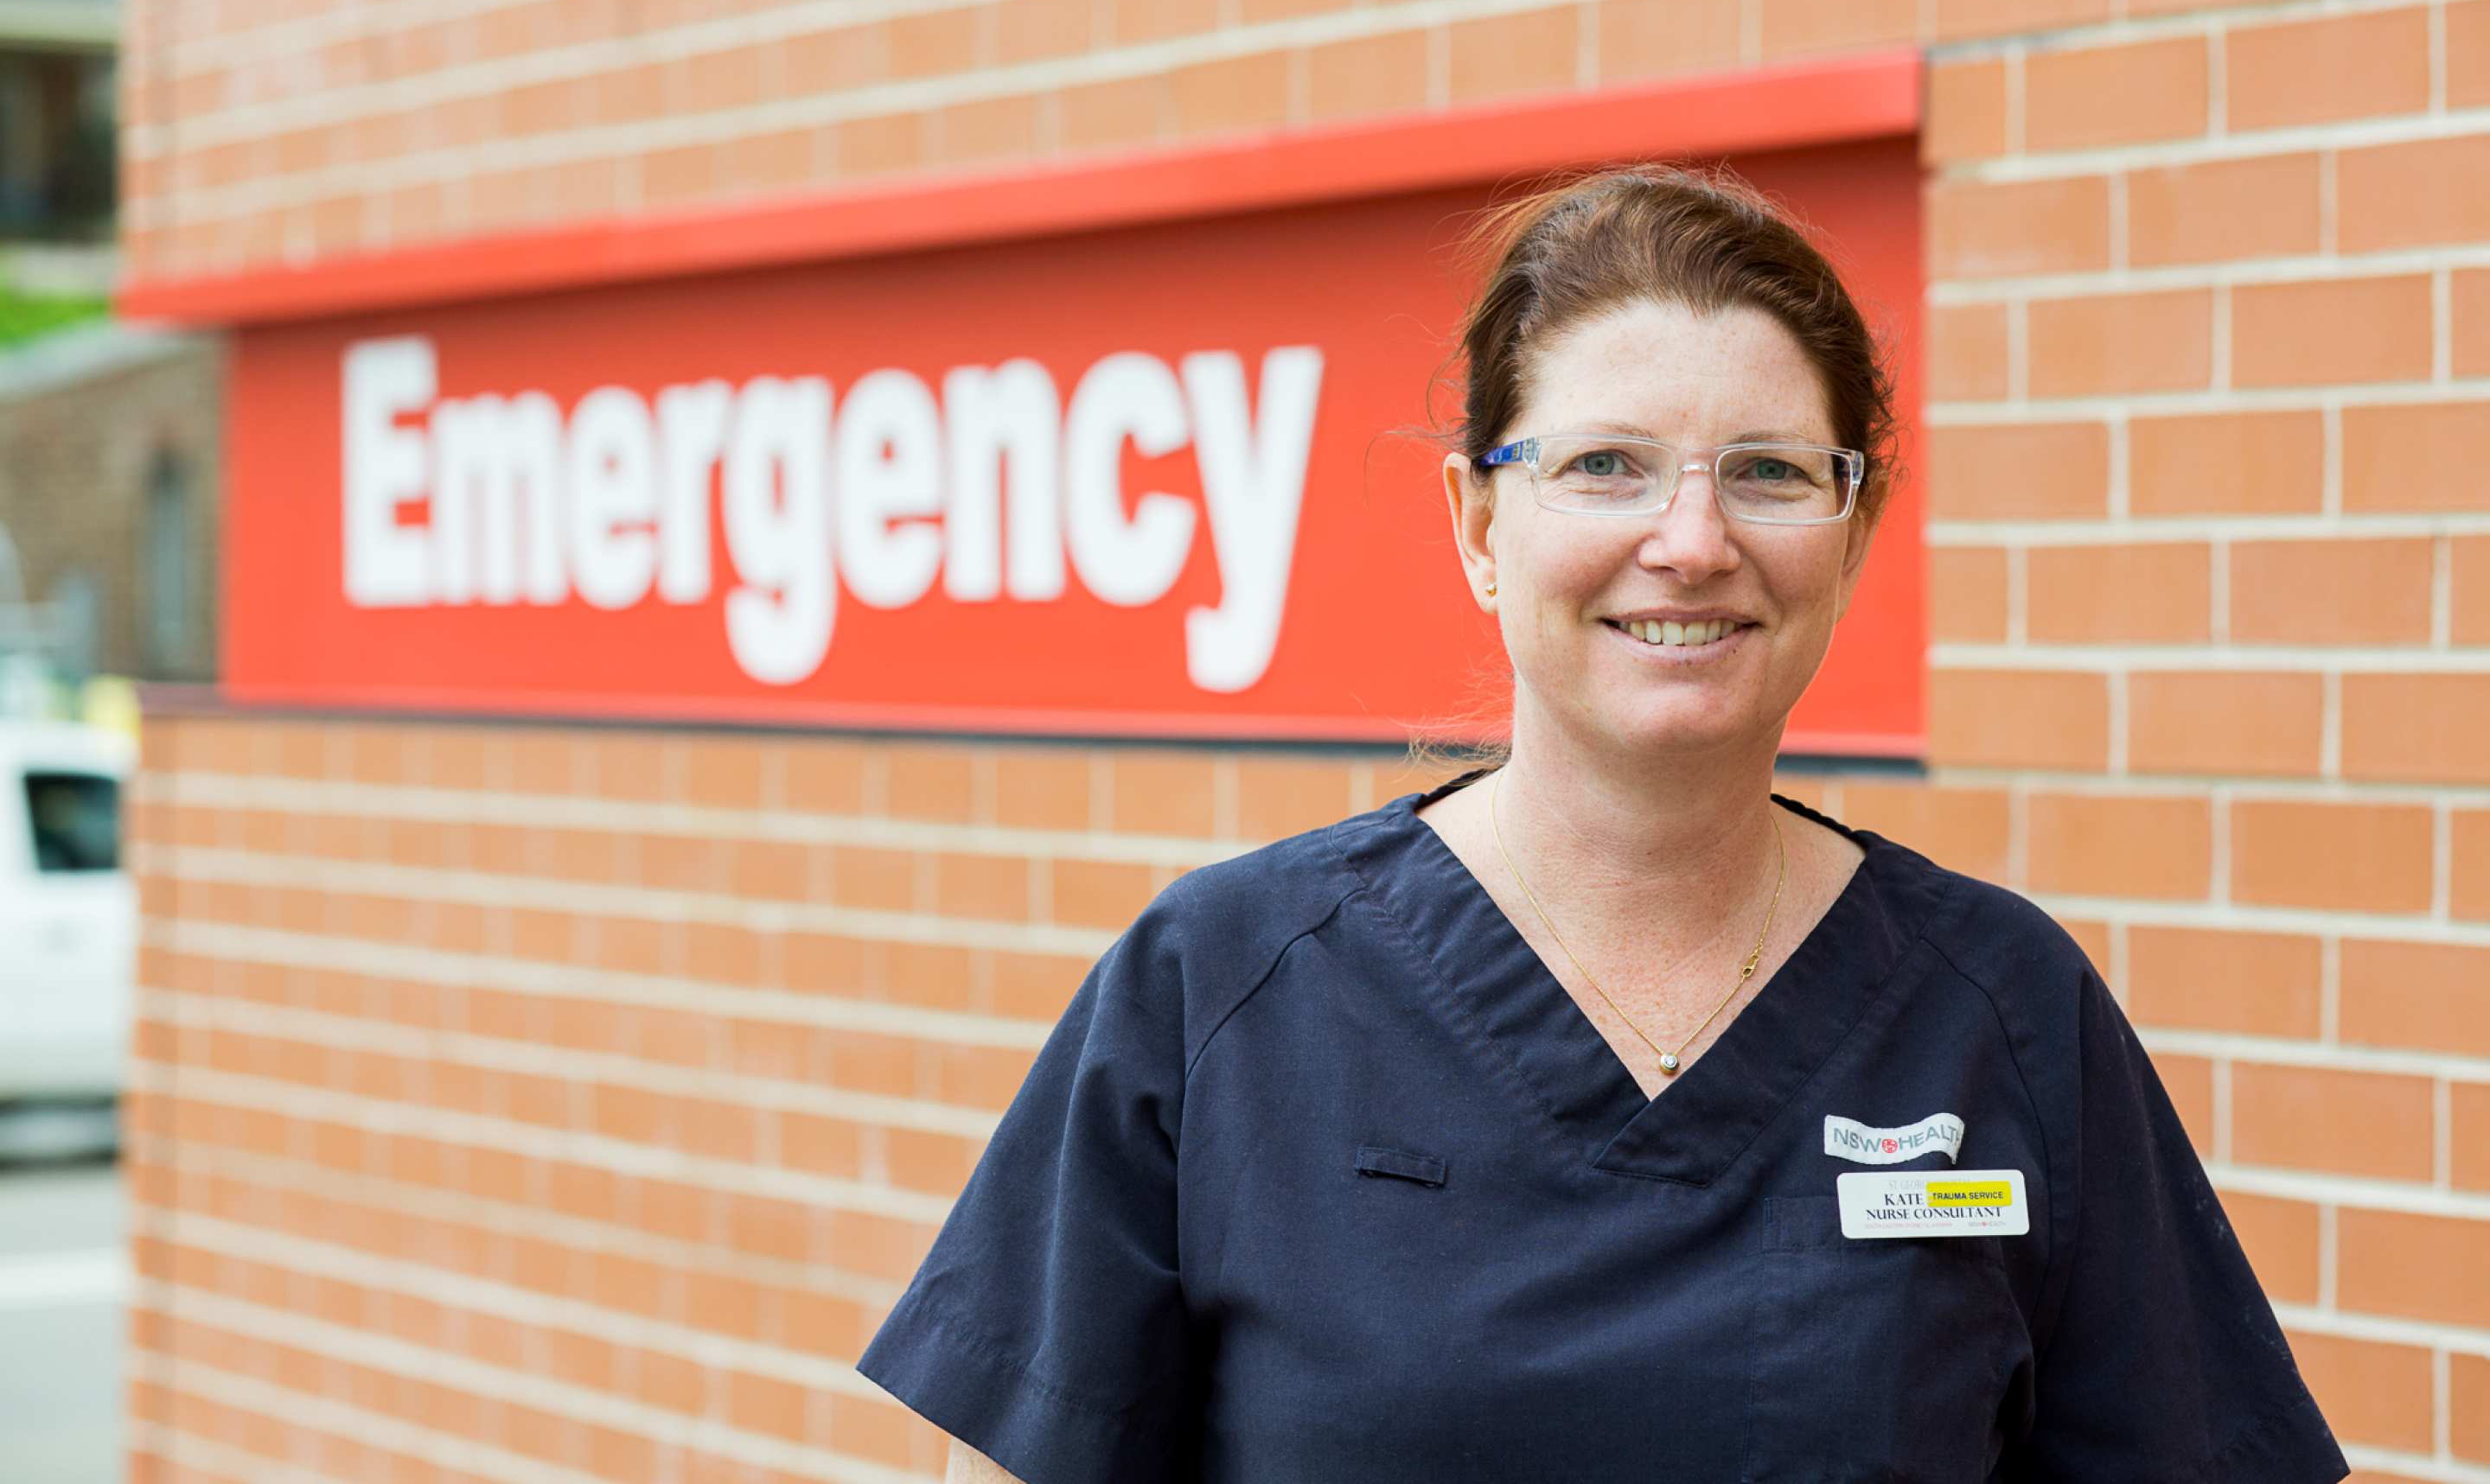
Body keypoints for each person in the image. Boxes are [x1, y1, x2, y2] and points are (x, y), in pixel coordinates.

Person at [854, 165, 2347, 1483]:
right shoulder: (1223, 990)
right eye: (1604, 466)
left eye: (1767, 472)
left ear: (1854, 533)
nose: (1691, 542)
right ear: (1478, 526)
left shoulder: (2005, 1013)